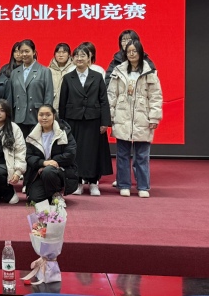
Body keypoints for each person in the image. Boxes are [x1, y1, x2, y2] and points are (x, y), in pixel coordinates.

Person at [107, 40, 162, 198]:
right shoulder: (118, 70)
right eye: (129, 51)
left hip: (142, 117)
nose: (131, 54)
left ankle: (143, 186)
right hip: (122, 116)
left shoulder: (149, 71)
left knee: (142, 155)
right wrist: (110, 116)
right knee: (122, 154)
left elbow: (156, 97)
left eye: (134, 51)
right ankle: (124, 184)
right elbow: (112, 95)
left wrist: (154, 117)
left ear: (140, 52)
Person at [59, 44, 112, 196]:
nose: (79, 58)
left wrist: (105, 122)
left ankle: (94, 183)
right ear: (72, 58)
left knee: (93, 152)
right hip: (73, 120)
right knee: (76, 152)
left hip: (93, 119)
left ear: (89, 58)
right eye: (76, 55)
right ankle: (78, 183)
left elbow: (103, 100)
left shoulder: (97, 76)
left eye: (83, 55)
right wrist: (62, 124)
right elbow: (63, 102)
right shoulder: (68, 77)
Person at [25, 104, 78, 204]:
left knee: (48, 171)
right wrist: (43, 163)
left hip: (60, 171)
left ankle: (56, 194)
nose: (44, 118)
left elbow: (70, 153)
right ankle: (50, 192)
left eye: (48, 115)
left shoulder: (64, 132)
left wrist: (53, 162)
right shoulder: (33, 134)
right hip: (40, 172)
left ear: (54, 116)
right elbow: (28, 156)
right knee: (35, 199)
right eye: (41, 115)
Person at [9, 39, 54, 137]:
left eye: (27, 51)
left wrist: (46, 116)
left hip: (36, 116)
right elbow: (11, 97)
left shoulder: (44, 71)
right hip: (18, 117)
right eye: (21, 52)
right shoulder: (15, 73)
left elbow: (48, 96)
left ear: (34, 52)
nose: (24, 54)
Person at [48, 42, 75, 112]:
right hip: (52, 106)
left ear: (69, 55)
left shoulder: (74, 69)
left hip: (70, 107)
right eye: (58, 52)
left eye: (64, 52)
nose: (61, 55)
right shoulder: (48, 70)